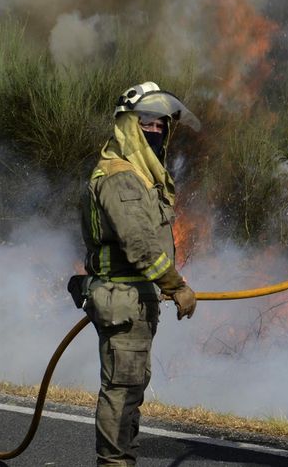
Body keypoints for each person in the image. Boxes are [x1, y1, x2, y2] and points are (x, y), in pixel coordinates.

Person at [79, 82, 200, 466]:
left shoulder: (141, 175)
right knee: (121, 389)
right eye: (147, 122)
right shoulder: (121, 176)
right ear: (128, 125)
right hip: (122, 298)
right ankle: (114, 462)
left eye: (161, 123)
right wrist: (176, 286)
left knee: (131, 388)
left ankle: (122, 458)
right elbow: (139, 244)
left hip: (135, 299)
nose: (156, 130)